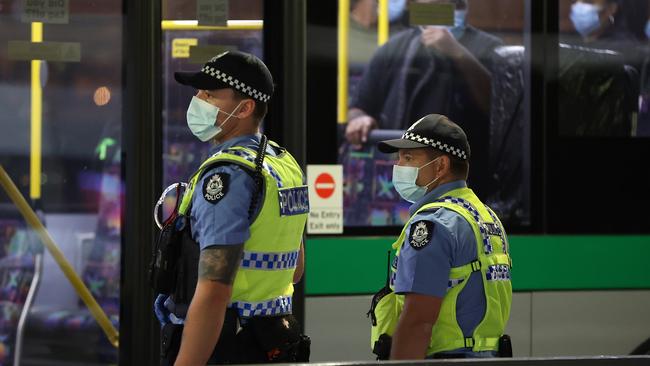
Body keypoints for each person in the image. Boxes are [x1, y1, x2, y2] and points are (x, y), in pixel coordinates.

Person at [152, 51, 310, 365]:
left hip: (225, 345)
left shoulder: (227, 177)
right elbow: (295, 268)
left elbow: (214, 290)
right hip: (274, 339)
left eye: (210, 94)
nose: (197, 100)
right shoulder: (283, 163)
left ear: (245, 107)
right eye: (199, 92)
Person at [368, 114, 512, 360]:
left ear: (441, 166)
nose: (399, 166)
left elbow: (418, 322)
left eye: (409, 157)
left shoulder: (433, 225)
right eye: (399, 158)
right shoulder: (486, 217)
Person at [346, 0, 502, 195]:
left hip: (465, 181)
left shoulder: (489, 48)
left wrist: (457, 52)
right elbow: (360, 106)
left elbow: (497, 106)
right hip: (399, 179)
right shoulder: (393, 50)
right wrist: (359, 120)